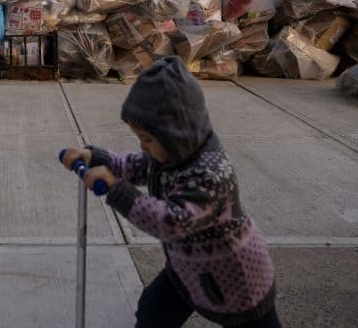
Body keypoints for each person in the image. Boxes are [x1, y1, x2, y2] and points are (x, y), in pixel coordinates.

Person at [60, 57, 281, 328]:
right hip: (188, 269)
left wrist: (118, 190)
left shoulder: (211, 173)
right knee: (153, 310)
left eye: (148, 139)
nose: (143, 147)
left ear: (176, 133)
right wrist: (96, 157)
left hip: (235, 279)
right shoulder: (172, 155)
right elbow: (137, 165)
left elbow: (172, 222)